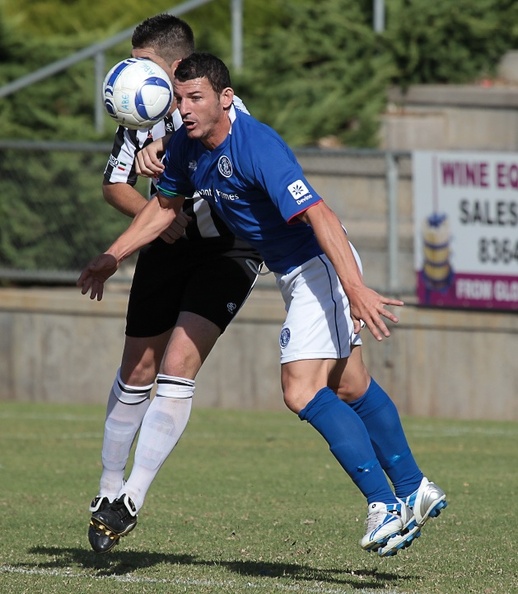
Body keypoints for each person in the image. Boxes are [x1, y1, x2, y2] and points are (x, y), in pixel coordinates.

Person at [78, 52, 447, 558]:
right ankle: (414, 486)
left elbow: (319, 214)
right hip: (298, 274)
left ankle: (384, 507)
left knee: (300, 390)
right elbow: (162, 210)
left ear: (226, 99)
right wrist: (112, 255)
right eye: (180, 98)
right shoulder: (187, 147)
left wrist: (354, 287)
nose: (184, 109)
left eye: (197, 97)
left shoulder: (256, 145)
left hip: (319, 267)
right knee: (351, 384)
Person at [83, 18, 262, 554]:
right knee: (137, 367)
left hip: (230, 249)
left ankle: (131, 498)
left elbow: (230, 167)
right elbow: (115, 183)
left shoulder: (220, 109)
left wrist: (173, 173)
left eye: (142, 60)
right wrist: (162, 211)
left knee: (179, 363)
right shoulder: (138, 108)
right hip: (167, 244)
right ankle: (107, 490)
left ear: (172, 64)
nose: (130, 72)